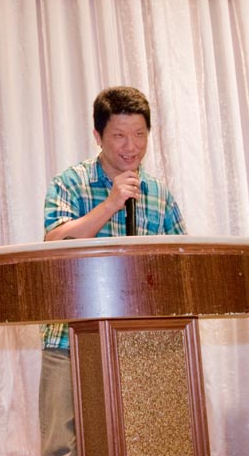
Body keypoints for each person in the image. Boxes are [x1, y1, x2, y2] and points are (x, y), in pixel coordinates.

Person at [39, 86, 186, 456]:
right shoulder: (69, 183)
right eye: (119, 135)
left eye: (139, 134)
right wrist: (111, 203)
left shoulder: (158, 193)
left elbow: (181, 261)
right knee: (61, 446)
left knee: (144, 443)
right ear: (98, 136)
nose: (131, 146)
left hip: (141, 341)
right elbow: (54, 243)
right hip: (69, 337)